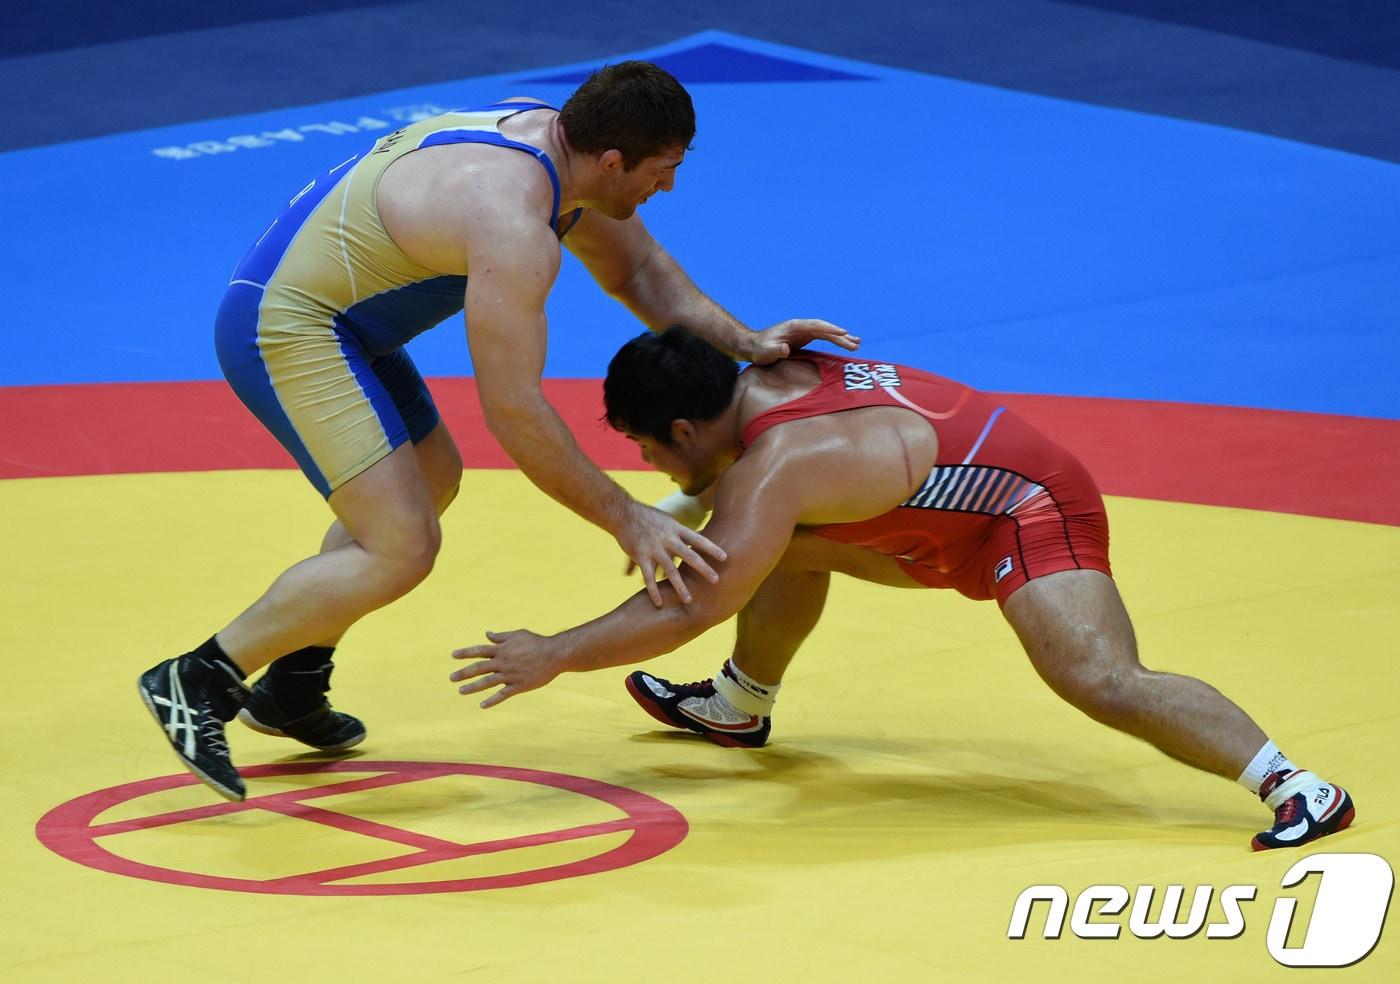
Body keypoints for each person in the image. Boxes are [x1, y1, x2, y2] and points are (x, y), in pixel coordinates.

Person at [137, 62, 857, 802]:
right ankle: (199, 678)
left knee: (430, 483)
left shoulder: (557, 147)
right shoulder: (514, 222)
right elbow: (513, 412)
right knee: (401, 546)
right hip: (289, 325)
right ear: (613, 160)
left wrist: (750, 342)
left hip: (347, 325)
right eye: (662, 171)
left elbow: (640, 270)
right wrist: (628, 519)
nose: (665, 189)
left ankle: (293, 682)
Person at [450, 326, 1356, 852]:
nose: (648, 464)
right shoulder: (761, 368)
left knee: (1100, 678)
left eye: (648, 447)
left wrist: (554, 655)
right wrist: (676, 497)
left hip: (1023, 509)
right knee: (780, 547)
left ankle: (1295, 786)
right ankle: (739, 704)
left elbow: (698, 599)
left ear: (686, 424)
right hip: (944, 504)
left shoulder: (783, 467)